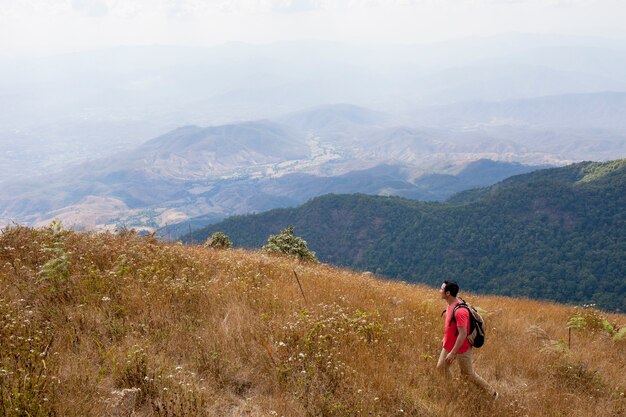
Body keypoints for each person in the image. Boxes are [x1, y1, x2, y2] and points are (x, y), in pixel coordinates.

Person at [436, 280, 498, 399]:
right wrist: (445, 338)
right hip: (449, 344)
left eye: (441, 289)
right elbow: (451, 326)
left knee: (468, 374)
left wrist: (453, 352)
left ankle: (492, 394)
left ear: (448, 293)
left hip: (461, 348)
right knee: (441, 367)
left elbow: (463, 334)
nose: (439, 291)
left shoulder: (460, 311)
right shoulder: (450, 304)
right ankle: (453, 391)